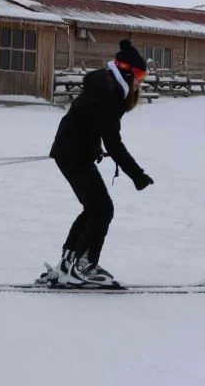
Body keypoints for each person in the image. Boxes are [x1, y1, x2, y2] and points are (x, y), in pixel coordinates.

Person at [41, 39, 154, 287]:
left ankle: (69, 262)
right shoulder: (108, 94)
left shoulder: (105, 85)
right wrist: (137, 175)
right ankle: (84, 266)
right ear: (126, 71)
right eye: (138, 75)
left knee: (94, 209)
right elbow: (114, 142)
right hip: (73, 155)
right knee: (102, 210)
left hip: (72, 152)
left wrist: (94, 148)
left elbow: (88, 124)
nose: (139, 81)